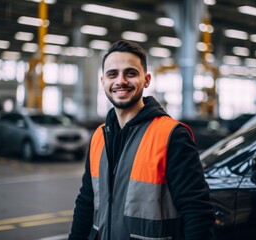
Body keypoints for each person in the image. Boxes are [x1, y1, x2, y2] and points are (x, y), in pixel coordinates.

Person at [69, 40, 215, 240]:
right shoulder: (98, 136)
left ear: (146, 80)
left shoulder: (172, 135)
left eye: (130, 73)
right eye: (113, 74)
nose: (121, 81)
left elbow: (197, 210)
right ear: (103, 81)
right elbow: (86, 202)